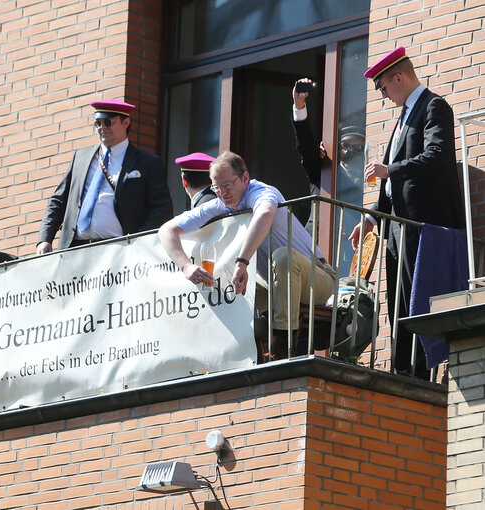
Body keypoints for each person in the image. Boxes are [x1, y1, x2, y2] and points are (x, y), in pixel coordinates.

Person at [347, 47, 464, 378]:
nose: (383, 96)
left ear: (398, 77)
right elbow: (391, 186)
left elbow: (438, 155)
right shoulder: (404, 116)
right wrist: (371, 219)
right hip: (399, 228)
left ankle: (417, 373)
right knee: (399, 303)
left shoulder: (433, 106)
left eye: (383, 87)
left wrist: (391, 169)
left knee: (418, 300)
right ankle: (403, 371)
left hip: (423, 226)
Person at [159, 151, 336, 362]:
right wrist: (186, 267)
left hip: (320, 282)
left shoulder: (261, 191)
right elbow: (167, 230)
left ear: (244, 178)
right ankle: (228, 355)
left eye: (227, 185)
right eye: (216, 187)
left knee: (282, 257)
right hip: (276, 284)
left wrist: (242, 261)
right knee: (221, 284)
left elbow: (265, 214)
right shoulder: (220, 203)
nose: (222, 193)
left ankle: (282, 347)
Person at [36, 99, 173, 253]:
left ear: (126, 123)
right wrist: (45, 238)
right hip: (75, 250)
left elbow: (162, 209)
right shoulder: (81, 157)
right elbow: (58, 201)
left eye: (108, 122)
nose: (102, 128)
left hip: (118, 252)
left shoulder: (146, 162)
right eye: (97, 123)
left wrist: (137, 242)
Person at [292, 78, 365, 266]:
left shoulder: (368, 182)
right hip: (315, 253)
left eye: (357, 148)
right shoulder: (323, 170)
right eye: (346, 146)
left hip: (350, 259)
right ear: (337, 148)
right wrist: (299, 106)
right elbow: (306, 146)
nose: (350, 152)